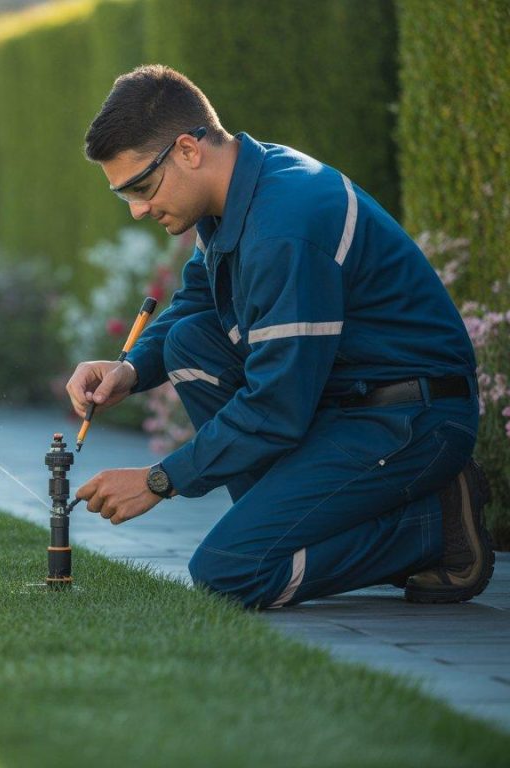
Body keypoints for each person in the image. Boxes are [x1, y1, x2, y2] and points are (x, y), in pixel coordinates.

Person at [67, 65, 494, 609]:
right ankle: (283, 526)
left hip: (408, 419)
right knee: (188, 343)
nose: (138, 210)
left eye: (143, 187)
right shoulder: (239, 187)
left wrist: (157, 480)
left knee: (229, 573)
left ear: (188, 150)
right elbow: (198, 300)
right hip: (340, 404)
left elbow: (276, 406)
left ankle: (434, 526)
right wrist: (129, 370)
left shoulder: (284, 225)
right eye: (123, 195)